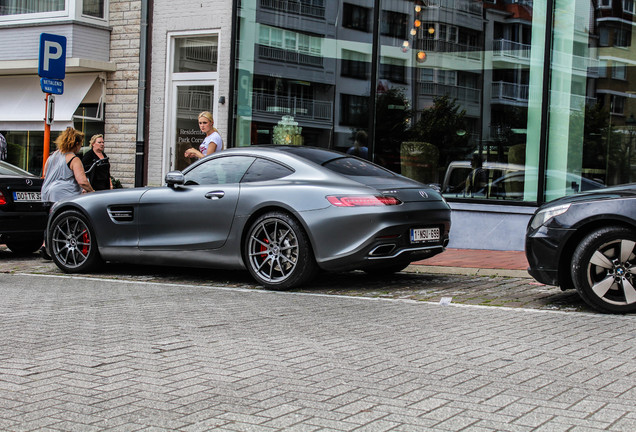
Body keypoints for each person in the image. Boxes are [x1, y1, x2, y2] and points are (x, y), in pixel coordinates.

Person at [42, 127, 94, 202]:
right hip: (66, 195)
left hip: (47, 194)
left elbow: (45, 174)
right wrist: (92, 191)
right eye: (80, 145)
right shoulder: (73, 159)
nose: (80, 147)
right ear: (76, 144)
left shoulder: (52, 157)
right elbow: (82, 182)